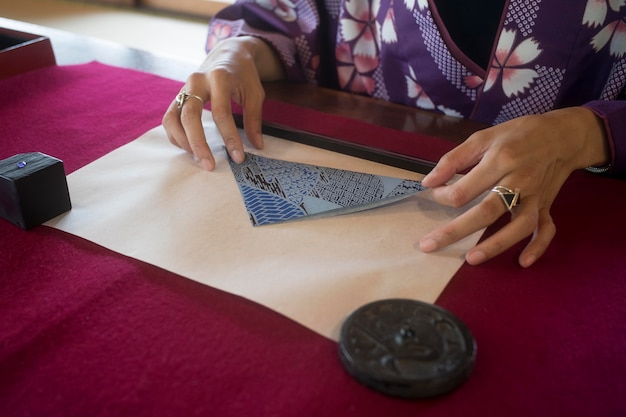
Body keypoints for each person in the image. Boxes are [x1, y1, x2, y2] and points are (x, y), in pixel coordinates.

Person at [162, 0, 626, 267]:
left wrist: (583, 132)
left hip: (575, 208)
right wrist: (240, 50)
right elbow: (289, 15)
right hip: (350, 155)